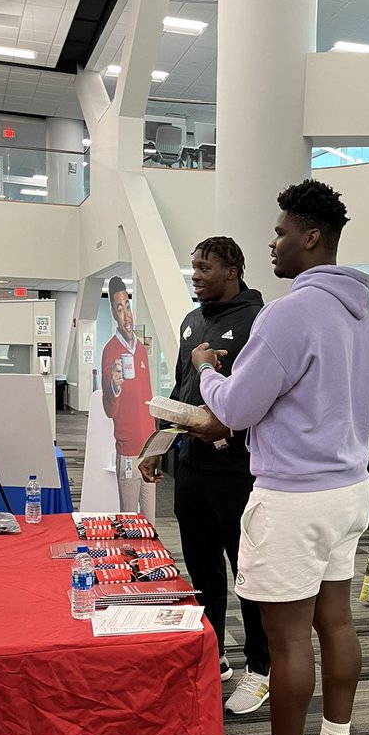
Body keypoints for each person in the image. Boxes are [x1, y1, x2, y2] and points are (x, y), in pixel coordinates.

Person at [191, 179, 369, 735]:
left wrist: (206, 373)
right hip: (351, 492)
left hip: (293, 498)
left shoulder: (288, 314)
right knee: (336, 622)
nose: (272, 244)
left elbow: (239, 408)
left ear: (311, 238)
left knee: (286, 641)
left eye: (280, 233)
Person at [137, 237, 272, 707]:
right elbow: (181, 387)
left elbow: (264, 398)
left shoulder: (259, 320)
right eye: (192, 267)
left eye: (204, 267)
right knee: (202, 569)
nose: (195, 275)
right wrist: (156, 444)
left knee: (248, 572)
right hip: (192, 467)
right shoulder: (192, 321)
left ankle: (260, 667)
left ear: (233, 270)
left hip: (240, 471)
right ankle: (213, 652)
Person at [100, 276, 156, 517]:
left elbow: (147, 397)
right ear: (113, 313)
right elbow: (108, 409)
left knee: (151, 522)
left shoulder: (141, 350)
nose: (126, 315)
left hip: (149, 450)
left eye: (128, 306)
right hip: (129, 453)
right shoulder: (110, 351)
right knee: (130, 521)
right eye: (120, 309)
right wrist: (114, 386)